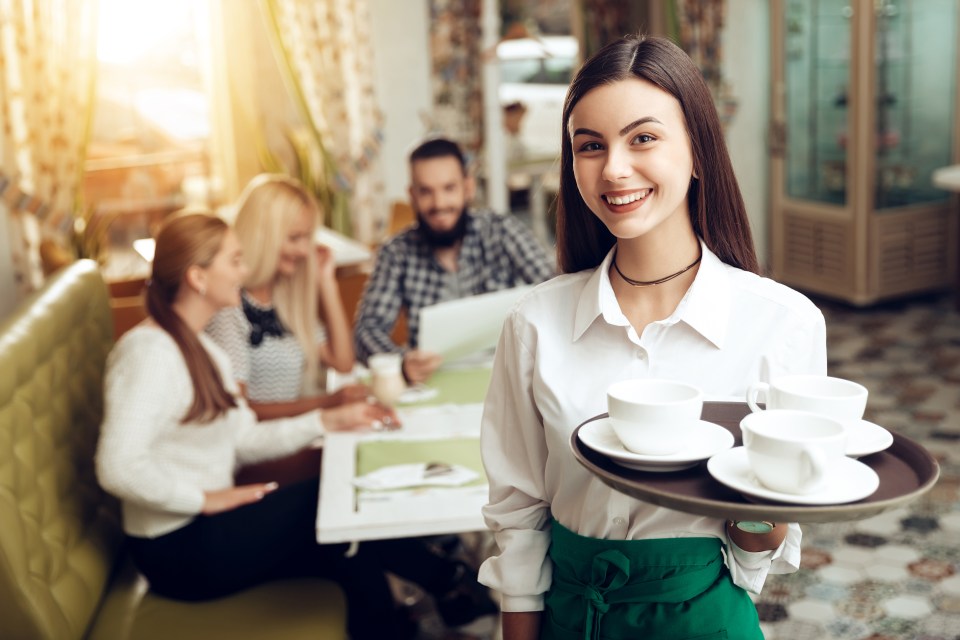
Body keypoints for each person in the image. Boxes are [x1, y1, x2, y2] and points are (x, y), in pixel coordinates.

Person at [478, 35, 827, 640]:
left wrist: (765, 504)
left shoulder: (783, 323)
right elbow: (519, 513)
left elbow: (755, 556)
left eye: (643, 137)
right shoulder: (533, 322)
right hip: (572, 615)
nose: (613, 168)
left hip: (704, 619)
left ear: (698, 152)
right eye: (591, 146)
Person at [96, 213, 496, 639]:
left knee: (347, 551)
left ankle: (431, 602)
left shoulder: (202, 350)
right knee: (322, 506)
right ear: (197, 277)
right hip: (176, 551)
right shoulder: (149, 353)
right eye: (233, 261)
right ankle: (451, 581)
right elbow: (117, 465)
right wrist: (201, 499)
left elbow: (244, 438)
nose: (243, 272)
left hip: (204, 530)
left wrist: (328, 420)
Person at [353, 137, 556, 383]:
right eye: (426, 192)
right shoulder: (396, 252)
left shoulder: (502, 231)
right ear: (412, 196)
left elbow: (554, 294)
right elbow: (366, 330)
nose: (439, 204)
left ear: (467, 187)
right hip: (432, 385)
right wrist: (402, 361)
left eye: (449, 188)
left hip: (510, 376)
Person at [206, 174, 366, 422]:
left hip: (289, 438)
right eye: (294, 238)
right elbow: (238, 412)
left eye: (307, 238)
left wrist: (326, 282)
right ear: (262, 236)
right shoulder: (228, 307)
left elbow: (343, 362)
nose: (304, 250)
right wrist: (326, 403)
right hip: (260, 451)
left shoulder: (283, 299)